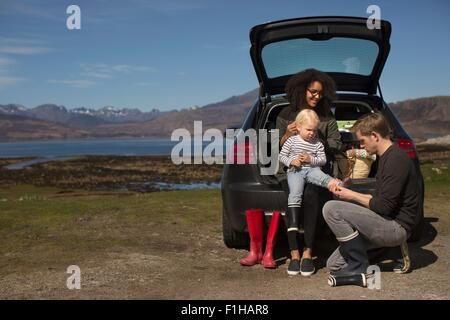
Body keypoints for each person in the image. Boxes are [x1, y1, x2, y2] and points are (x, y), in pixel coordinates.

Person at [323, 112, 420, 283]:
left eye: (362, 141)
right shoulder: (386, 157)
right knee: (333, 265)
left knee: (331, 208)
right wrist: (349, 193)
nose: (361, 146)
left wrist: (350, 195)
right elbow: (378, 197)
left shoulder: (396, 159)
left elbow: (383, 206)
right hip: (383, 220)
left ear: (374, 136)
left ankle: (358, 265)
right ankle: (385, 251)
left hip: (396, 227)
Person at [276, 68, 344, 276]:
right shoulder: (286, 114)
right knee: (292, 199)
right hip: (290, 169)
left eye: (320, 92)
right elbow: (277, 146)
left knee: (312, 196)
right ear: (301, 90)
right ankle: (293, 254)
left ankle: (308, 253)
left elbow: (336, 143)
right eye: (313, 91)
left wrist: (314, 137)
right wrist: (288, 132)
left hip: (315, 168)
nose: (317, 96)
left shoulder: (326, 115)